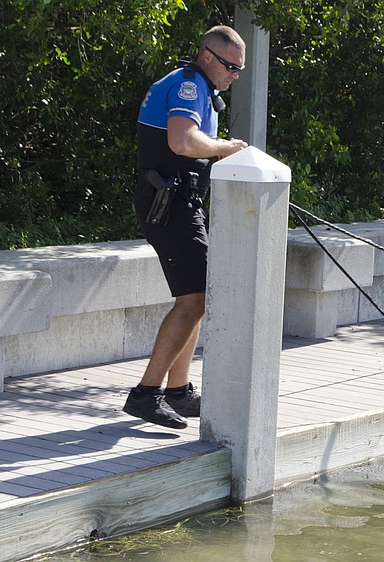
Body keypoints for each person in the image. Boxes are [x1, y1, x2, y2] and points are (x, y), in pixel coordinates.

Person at [123, 25, 248, 429]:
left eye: (240, 69)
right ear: (208, 56)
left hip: (181, 203)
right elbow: (182, 141)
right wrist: (226, 147)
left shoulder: (200, 89)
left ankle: (178, 391)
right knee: (193, 300)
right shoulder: (188, 87)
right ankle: (146, 394)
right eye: (231, 66)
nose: (234, 75)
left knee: (195, 297)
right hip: (170, 204)